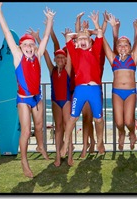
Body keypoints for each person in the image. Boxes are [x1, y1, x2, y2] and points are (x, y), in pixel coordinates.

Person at [0, 2, 55, 178]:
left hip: (37, 98)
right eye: (26, 45)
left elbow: (46, 38)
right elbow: (6, 33)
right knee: (26, 131)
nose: (29, 47)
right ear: (20, 47)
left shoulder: (38, 56)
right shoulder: (18, 57)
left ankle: (40, 146)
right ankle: (24, 161)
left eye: (31, 45)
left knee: (40, 126)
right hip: (23, 99)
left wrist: (49, 20)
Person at [60, 10, 105, 157]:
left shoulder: (96, 50)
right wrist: (78, 35)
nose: (83, 41)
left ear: (91, 41)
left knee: (98, 119)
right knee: (73, 118)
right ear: (76, 43)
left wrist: (87, 33)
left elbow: (99, 33)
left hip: (94, 90)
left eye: (86, 39)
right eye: (80, 40)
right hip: (80, 90)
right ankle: (66, 144)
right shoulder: (75, 52)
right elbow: (67, 37)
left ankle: (99, 141)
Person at [28, 27, 74, 167]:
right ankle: (58, 157)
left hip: (66, 101)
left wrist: (68, 39)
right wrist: (37, 38)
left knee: (68, 127)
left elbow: (70, 54)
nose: (60, 59)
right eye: (58, 57)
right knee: (58, 128)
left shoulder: (67, 69)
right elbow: (45, 53)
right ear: (55, 59)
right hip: (55, 101)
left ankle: (70, 156)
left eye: (62, 57)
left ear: (65, 59)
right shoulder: (52, 69)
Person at [103, 9, 137, 150]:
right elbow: (101, 39)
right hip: (116, 92)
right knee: (118, 122)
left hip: (130, 92)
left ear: (130, 48)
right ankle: (121, 134)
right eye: (120, 44)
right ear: (116, 47)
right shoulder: (113, 59)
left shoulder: (133, 59)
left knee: (129, 121)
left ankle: (132, 132)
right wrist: (102, 25)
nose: (123, 47)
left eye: (126, 44)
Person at [75, 12, 108, 158]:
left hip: (95, 87)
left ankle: (97, 142)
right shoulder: (82, 54)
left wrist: (100, 25)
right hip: (82, 86)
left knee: (95, 118)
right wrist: (79, 23)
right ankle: (88, 144)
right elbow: (77, 39)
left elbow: (101, 34)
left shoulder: (97, 54)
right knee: (86, 118)